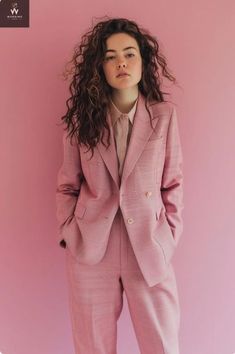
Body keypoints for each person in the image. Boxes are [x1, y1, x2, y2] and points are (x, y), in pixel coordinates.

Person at [56, 16, 184, 354]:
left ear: (143, 60)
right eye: (110, 56)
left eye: (129, 53)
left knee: (163, 345)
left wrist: (168, 238)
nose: (121, 62)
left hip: (149, 245)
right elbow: (67, 185)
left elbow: (173, 185)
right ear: (100, 66)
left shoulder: (164, 116)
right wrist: (70, 231)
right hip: (92, 249)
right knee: (92, 348)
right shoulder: (80, 123)